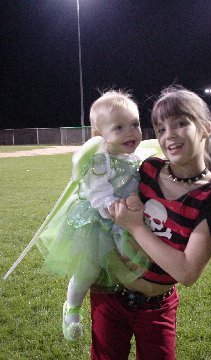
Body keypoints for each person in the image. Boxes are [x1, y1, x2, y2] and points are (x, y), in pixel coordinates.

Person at [90, 85, 211, 360]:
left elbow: (187, 272)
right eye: (160, 129)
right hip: (109, 294)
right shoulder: (147, 169)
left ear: (206, 128)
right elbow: (104, 160)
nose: (169, 135)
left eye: (180, 123)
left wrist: (135, 227)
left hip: (156, 307)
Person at [35, 90, 155, 342]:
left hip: (126, 218)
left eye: (135, 124)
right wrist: (119, 212)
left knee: (132, 259)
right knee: (88, 269)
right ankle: (72, 308)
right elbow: (100, 196)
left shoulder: (138, 157)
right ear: (101, 135)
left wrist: (136, 205)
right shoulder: (100, 161)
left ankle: (132, 304)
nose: (131, 132)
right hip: (99, 221)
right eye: (119, 128)